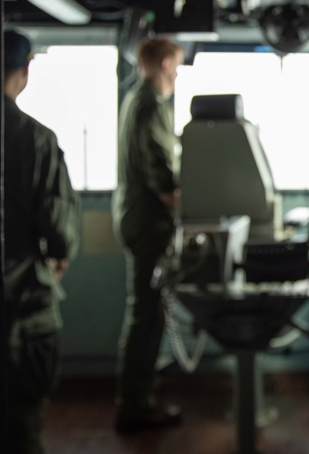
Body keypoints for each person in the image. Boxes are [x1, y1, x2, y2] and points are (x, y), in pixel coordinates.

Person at [2, 29, 81, 454]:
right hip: (23, 308)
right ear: (25, 69)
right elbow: (58, 228)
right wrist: (61, 254)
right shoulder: (34, 139)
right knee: (23, 425)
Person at [112, 37, 185, 434]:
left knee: (145, 313)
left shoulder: (133, 100)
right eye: (175, 64)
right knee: (145, 317)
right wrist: (185, 206)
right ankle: (134, 407)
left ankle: (137, 400)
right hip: (148, 223)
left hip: (135, 218)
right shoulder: (150, 104)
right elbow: (160, 171)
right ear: (163, 64)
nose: (176, 72)